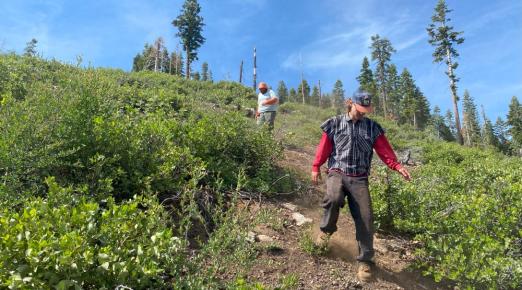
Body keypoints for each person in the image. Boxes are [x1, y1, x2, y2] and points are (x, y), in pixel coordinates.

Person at [311, 88, 411, 283]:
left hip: (359, 178)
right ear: (352, 104)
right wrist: (316, 166)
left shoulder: (373, 128)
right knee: (333, 198)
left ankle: (365, 261)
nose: (364, 110)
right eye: (361, 107)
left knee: (366, 217)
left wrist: (396, 165)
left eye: (367, 107)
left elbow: (384, 151)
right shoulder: (335, 123)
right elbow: (324, 148)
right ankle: (325, 231)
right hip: (337, 171)